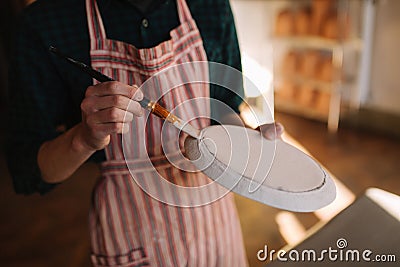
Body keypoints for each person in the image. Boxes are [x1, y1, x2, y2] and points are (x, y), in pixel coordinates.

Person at [8, 0, 283, 266]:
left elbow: (224, 108)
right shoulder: (46, 24)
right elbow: (30, 168)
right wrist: (83, 139)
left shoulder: (210, 5)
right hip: (133, 232)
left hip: (215, 227)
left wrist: (249, 140)